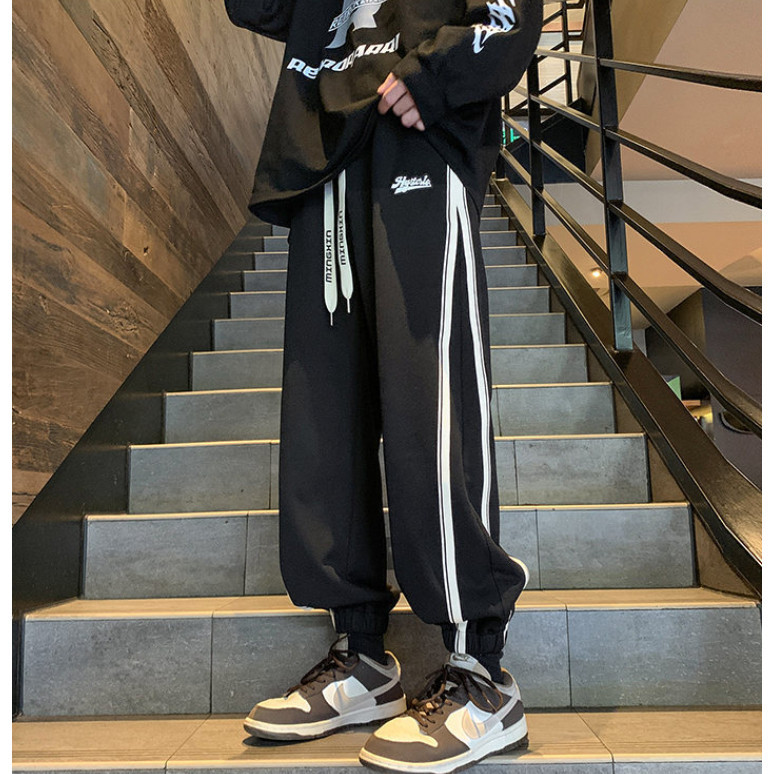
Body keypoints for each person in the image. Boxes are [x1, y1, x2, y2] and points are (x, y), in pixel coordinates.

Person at [223, 1, 542, 771]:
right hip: (325, 149)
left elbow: (511, 15)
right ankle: (361, 653)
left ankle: (480, 672)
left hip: (419, 133)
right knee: (321, 415)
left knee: (428, 400)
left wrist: (435, 74)